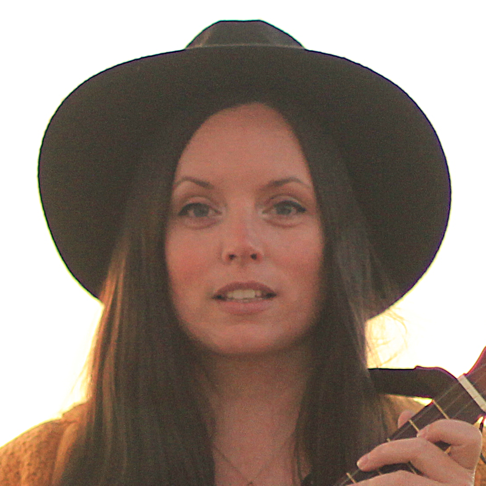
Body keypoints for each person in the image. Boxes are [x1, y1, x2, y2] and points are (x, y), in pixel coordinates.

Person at [0, 20, 484, 486]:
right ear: (149, 248)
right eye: (197, 209)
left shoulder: (455, 465)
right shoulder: (32, 470)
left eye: (285, 207)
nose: (241, 245)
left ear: (340, 243)